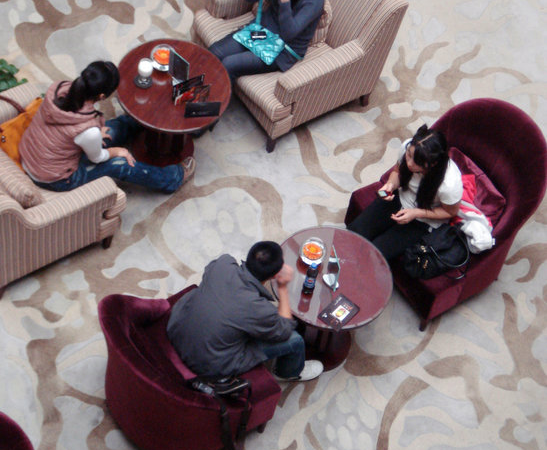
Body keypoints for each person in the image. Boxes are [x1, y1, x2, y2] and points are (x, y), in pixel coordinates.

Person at [19, 61, 195, 193]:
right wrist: (118, 151)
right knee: (120, 164)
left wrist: (94, 134)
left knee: (112, 130)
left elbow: (78, 132)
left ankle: (145, 120)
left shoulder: (58, 88)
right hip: (55, 177)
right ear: (102, 96)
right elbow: (98, 158)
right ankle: (173, 178)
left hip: (35, 153)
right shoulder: (88, 130)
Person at [167, 241, 324, 382]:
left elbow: (209, 271)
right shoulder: (260, 309)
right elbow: (284, 329)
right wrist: (282, 288)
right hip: (209, 364)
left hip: (177, 328)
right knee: (295, 340)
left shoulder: (224, 263)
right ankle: (288, 372)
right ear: (275, 275)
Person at [347, 124, 463, 261]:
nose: (410, 163)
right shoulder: (407, 147)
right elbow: (397, 172)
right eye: (409, 155)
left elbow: (450, 212)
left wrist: (416, 213)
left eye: (417, 162)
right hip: (401, 197)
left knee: (375, 255)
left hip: (424, 218)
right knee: (355, 232)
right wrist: (390, 184)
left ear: (433, 164)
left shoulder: (448, 184)